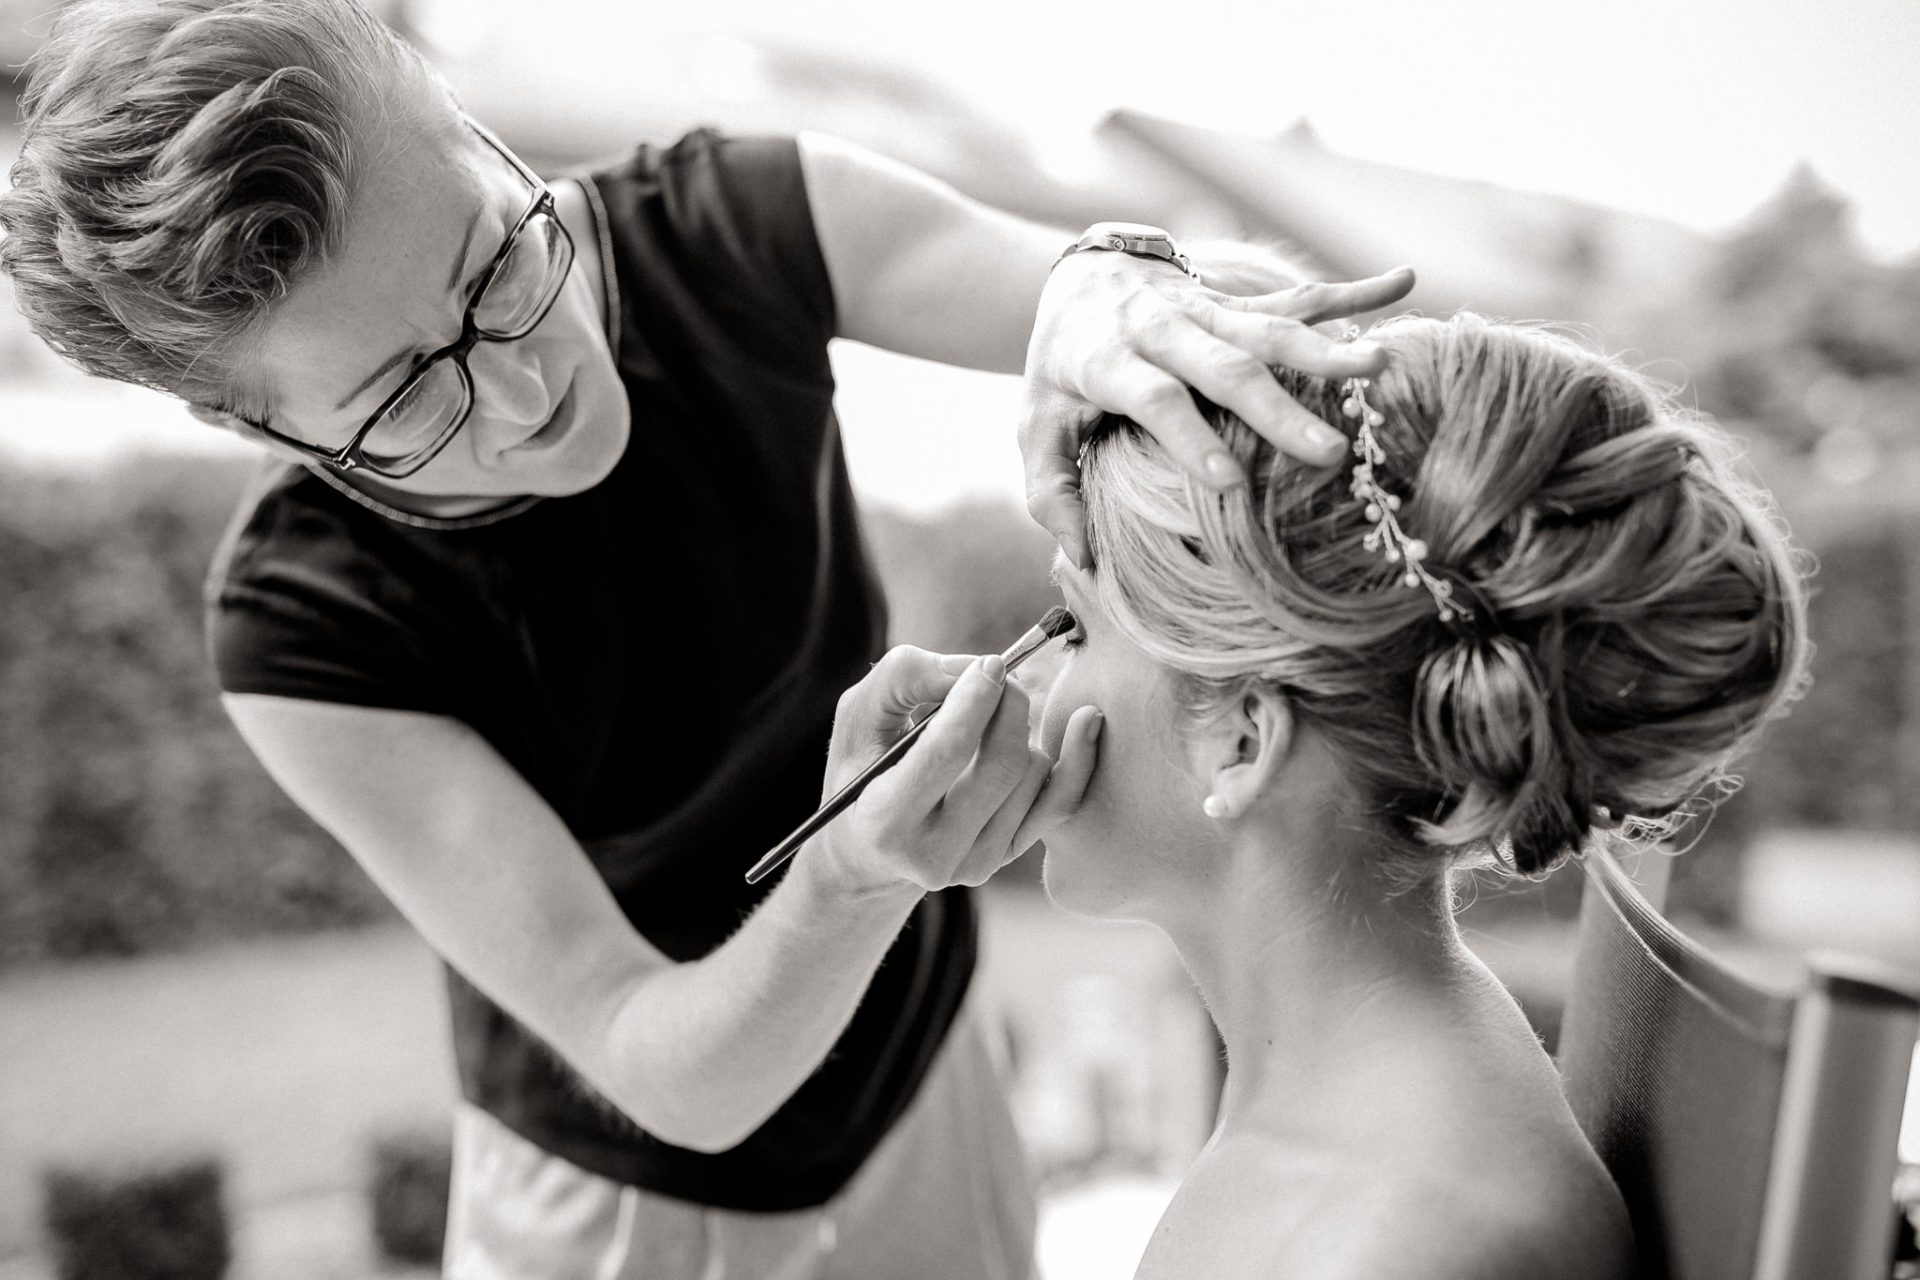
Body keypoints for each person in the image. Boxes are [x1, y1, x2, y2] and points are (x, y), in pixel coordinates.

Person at [0, 1, 1416, 1275]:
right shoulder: (304, 633)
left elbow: (1127, 299)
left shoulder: (732, 220)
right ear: (265, 432)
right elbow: (658, 1062)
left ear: (477, 132)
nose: (529, 379)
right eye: (403, 400)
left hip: (927, 1080)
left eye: (496, 257)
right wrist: (854, 878)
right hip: (631, 1205)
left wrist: (1116, 283)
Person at [1028, 312, 1811, 1279]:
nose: (1024, 689)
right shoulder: (1336, 1106)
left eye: (1071, 629)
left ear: (1239, 738)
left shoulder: (1402, 1238)